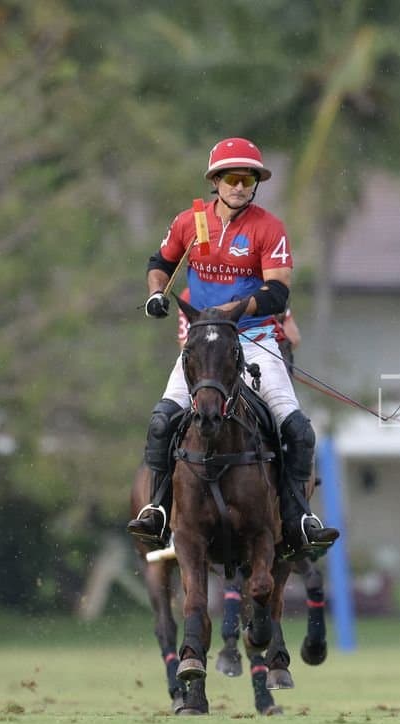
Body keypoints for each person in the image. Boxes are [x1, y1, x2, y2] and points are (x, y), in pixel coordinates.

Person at [127, 136, 338, 557]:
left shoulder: (269, 227)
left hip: (254, 340)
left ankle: (298, 519)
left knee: (296, 427)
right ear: (216, 181)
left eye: (248, 179)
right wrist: (156, 294)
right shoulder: (191, 222)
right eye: (232, 178)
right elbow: (160, 263)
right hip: (201, 346)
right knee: (161, 420)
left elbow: (278, 292)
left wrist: (235, 309)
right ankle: (157, 510)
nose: (240, 186)